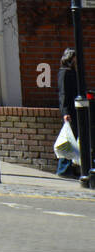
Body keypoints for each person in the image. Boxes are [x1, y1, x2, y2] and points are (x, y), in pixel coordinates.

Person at [58, 48, 81, 179]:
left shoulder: (71, 72)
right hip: (70, 111)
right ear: (71, 58)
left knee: (72, 139)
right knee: (69, 140)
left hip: (73, 110)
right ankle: (63, 168)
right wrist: (65, 112)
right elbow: (63, 94)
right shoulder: (65, 73)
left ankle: (67, 167)